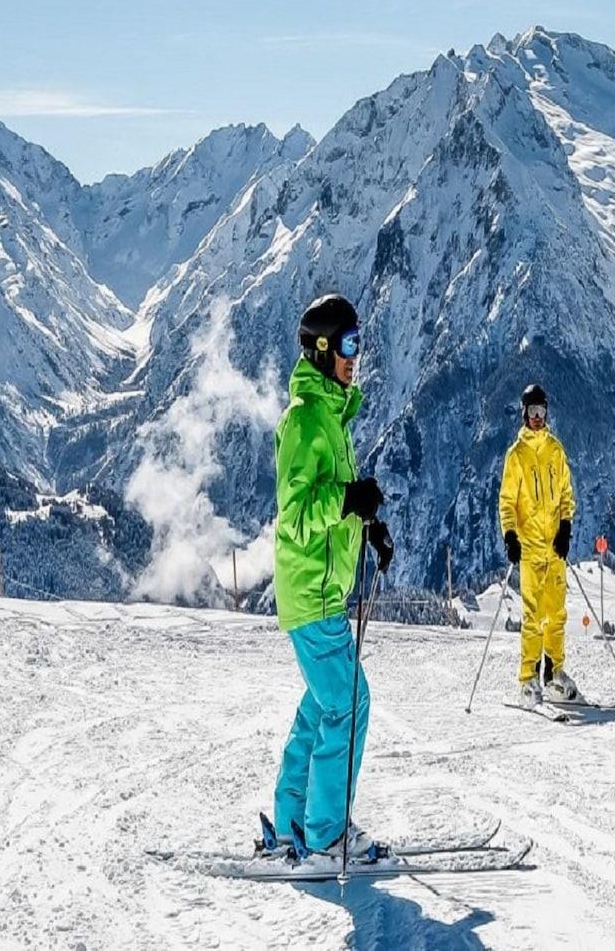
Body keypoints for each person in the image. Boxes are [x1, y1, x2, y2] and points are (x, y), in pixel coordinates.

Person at [267, 292, 395, 859]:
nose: (355, 356)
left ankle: (292, 820)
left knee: (323, 705)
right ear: (321, 349)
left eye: (358, 343)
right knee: (349, 703)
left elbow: (337, 502)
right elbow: (295, 516)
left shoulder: (332, 416)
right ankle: (324, 833)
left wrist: (369, 525)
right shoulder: (304, 420)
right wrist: (347, 498)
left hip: (322, 591)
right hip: (311, 592)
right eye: (347, 344)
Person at [499, 382, 580, 704]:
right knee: (532, 617)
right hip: (531, 548)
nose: (537, 416)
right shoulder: (516, 456)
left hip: (554, 549)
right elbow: (507, 502)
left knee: (557, 614)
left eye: (541, 410)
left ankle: (554, 673)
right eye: (532, 411)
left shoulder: (555, 450)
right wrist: (510, 535)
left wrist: (566, 527)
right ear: (524, 413)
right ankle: (528, 678)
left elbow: (566, 495)